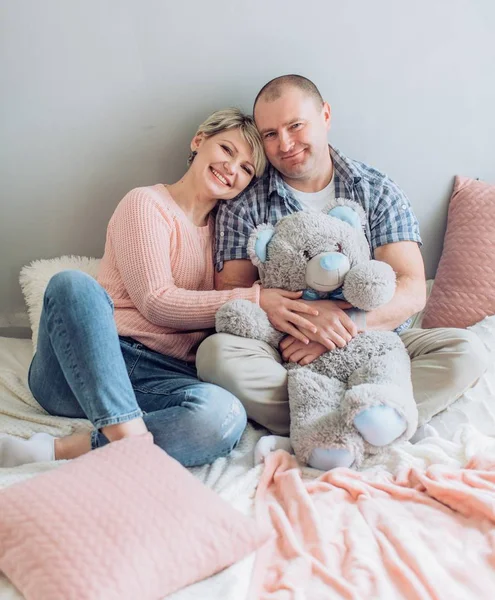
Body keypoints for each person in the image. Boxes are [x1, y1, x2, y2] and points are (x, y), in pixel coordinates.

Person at [0, 107, 321, 469]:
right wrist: (257, 300)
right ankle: (134, 448)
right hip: (90, 362)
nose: (232, 168)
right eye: (227, 150)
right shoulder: (146, 204)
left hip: (164, 375)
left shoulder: (231, 236)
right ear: (199, 141)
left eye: (247, 168)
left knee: (222, 415)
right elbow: (157, 303)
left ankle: (66, 450)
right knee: (71, 285)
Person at [196, 75, 489, 450]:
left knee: (468, 352)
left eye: (295, 126)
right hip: (286, 352)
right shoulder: (245, 201)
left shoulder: (374, 189)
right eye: (270, 134)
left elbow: (412, 287)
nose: (284, 144)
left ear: (325, 115)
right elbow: (232, 294)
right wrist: (308, 327)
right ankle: (369, 421)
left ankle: (326, 427)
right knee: (215, 355)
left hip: (377, 346)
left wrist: (345, 327)